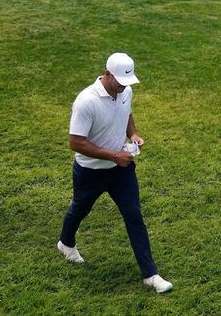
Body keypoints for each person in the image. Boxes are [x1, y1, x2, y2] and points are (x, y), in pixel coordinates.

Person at [57, 52, 173, 293]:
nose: (123, 87)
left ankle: (150, 274)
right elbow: (75, 142)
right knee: (80, 208)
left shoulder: (125, 90)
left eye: (127, 82)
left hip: (121, 170)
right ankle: (66, 243)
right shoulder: (86, 101)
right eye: (119, 81)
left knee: (134, 216)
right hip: (91, 172)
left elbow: (127, 113)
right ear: (107, 73)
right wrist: (112, 155)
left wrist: (133, 134)